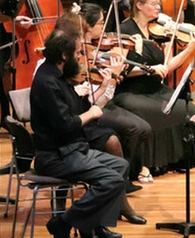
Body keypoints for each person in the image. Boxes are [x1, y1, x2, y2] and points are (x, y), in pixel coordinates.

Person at [52, 7, 147, 224]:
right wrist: (77, 94)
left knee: (113, 139)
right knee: (112, 139)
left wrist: (108, 82)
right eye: (80, 44)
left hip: (82, 120)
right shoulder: (50, 73)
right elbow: (63, 113)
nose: (83, 52)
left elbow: (95, 105)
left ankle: (115, 203)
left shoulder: (76, 66)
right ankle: (109, 203)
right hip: (67, 131)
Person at [31, 28, 127, 238]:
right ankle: (64, 222)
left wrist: (91, 91)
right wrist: (91, 113)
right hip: (56, 156)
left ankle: (91, 225)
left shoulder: (60, 75)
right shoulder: (47, 82)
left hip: (73, 149)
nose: (80, 57)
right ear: (64, 55)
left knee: (121, 165)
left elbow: (73, 109)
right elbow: (66, 124)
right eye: (77, 53)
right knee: (112, 180)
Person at [108, 0, 195, 177]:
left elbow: (167, 66)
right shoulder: (125, 30)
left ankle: (174, 160)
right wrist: (148, 70)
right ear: (139, 5)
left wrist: (190, 47)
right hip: (131, 93)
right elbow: (121, 69)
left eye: (158, 4)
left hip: (153, 89)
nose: (159, 8)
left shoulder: (156, 31)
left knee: (188, 108)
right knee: (163, 111)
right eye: (154, 4)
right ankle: (145, 164)